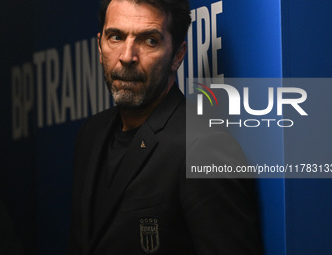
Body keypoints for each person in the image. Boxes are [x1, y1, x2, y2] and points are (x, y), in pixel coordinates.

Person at [69, 0, 263, 254]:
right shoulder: (91, 134)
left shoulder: (204, 148)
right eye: (115, 37)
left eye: (149, 41)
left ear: (178, 55)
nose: (127, 56)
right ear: (99, 45)